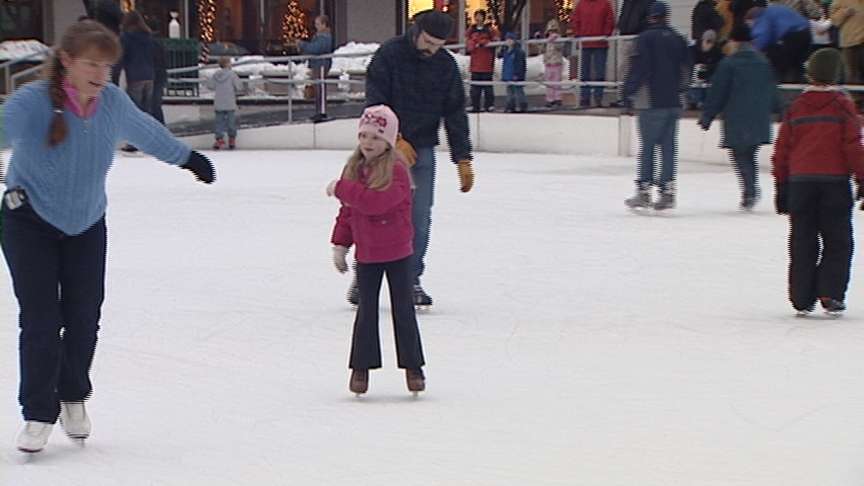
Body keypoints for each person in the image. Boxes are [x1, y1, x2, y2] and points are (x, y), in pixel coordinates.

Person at [0, 20, 215, 454]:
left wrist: (187, 158)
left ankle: (73, 395)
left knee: (83, 317)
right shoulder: (32, 103)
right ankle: (38, 413)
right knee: (42, 319)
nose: (101, 74)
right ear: (67, 61)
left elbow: (148, 132)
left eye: (107, 65)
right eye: (91, 64)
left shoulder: (112, 103)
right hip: (28, 221)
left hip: (84, 224)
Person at [359, 9, 475, 308]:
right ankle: (364, 277)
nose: (432, 49)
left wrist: (463, 157)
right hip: (383, 149)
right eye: (428, 41)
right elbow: (375, 99)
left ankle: (410, 279)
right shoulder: (390, 54)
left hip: (422, 149)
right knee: (375, 212)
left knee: (418, 219)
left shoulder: (445, 65)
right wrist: (393, 139)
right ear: (416, 30)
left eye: (438, 44)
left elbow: (454, 112)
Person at [328, 105, 426, 396]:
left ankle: (413, 366)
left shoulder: (397, 170)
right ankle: (361, 367)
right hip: (367, 255)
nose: (368, 142)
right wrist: (340, 244)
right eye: (364, 135)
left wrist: (342, 188)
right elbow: (348, 212)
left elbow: (375, 203)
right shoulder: (353, 170)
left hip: (398, 254)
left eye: (375, 137)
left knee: (403, 310)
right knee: (366, 312)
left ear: (389, 140)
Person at [772, 47, 864, 315]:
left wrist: (782, 184)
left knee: (802, 239)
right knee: (838, 240)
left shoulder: (795, 107)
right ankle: (830, 293)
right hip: (834, 183)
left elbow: (783, 150)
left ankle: (801, 297)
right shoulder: (843, 107)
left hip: (801, 183)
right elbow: (853, 147)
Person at [699, 23, 781, 210]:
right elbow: (772, 89)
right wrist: (780, 110)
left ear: (734, 41)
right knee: (749, 154)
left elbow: (718, 92)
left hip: (737, 118)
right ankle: (750, 189)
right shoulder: (763, 62)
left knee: (740, 155)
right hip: (759, 118)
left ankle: (750, 191)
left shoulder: (729, 64)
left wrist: (707, 117)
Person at [623, 1, 691, 211]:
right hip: (673, 101)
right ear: (666, 16)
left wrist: (628, 91)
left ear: (650, 17)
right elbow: (687, 69)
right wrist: (681, 90)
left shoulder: (644, 39)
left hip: (651, 101)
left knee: (648, 147)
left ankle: (644, 190)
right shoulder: (679, 40)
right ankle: (668, 191)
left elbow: (640, 68)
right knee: (668, 147)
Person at [746, 4, 813, 82]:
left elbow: (763, 36)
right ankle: (800, 82)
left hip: (793, 34)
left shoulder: (763, 16)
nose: (750, 27)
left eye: (749, 24)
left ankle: (780, 81)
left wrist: (754, 53)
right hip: (806, 33)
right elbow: (772, 36)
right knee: (796, 62)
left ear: (754, 19)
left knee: (778, 58)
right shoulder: (775, 9)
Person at [119, 11, 155, 153]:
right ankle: (148, 139)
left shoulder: (126, 37)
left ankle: (135, 142)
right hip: (149, 75)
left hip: (135, 76)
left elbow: (121, 56)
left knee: (134, 110)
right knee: (146, 110)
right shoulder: (148, 36)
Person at [569, 0, 616, 108]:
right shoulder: (582, 4)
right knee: (585, 73)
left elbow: (610, 20)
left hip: (599, 43)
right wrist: (578, 34)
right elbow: (575, 20)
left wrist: (605, 34)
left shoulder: (604, 3)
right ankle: (585, 98)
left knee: (599, 72)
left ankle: (597, 98)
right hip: (586, 44)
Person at [297, 15, 334, 123]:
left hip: (321, 64)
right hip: (317, 64)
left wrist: (303, 45)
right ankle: (319, 111)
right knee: (318, 88)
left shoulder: (325, 37)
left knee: (320, 88)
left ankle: (322, 112)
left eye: (318, 24)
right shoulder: (320, 36)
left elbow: (316, 48)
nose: (316, 26)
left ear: (324, 25)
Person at [206, 57, 242, 150]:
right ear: (227, 64)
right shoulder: (232, 74)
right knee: (231, 122)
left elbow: (210, 86)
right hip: (230, 101)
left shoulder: (216, 75)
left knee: (219, 122)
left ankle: (219, 139)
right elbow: (239, 86)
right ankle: (232, 139)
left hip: (219, 102)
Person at [467, 9, 500, 112]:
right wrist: (472, 44)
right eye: (476, 16)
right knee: (475, 87)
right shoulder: (471, 30)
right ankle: (475, 105)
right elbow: (467, 41)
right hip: (475, 63)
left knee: (487, 87)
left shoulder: (490, 30)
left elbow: (496, 40)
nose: (477, 18)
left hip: (486, 63)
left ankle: (489, 105)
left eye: (480, 16)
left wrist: (485, 42)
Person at [688, 29, 725, 110]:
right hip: (695, 79)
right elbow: (688, 64)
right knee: (696, 73)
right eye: (707, 41)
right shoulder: (692, 50)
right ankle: (694, 101)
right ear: (703, 40)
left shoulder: (717, 51)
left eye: (711, 42)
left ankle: (705, 101)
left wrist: (708, 67)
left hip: (709, 78)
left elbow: (720, 64)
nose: (709, 44)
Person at [499, 32, 528, 113]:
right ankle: (510, 106)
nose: (508, 41)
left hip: (516, 75)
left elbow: (520, 65)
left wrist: (517, 74)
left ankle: (523, 105)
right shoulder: (506, 51)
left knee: (518, 91)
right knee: (509, 91)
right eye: (507, 40)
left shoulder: (518, 52)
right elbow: (502, 60)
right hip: (508, 75)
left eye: (510, 40)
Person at [543, 19, 565, 108]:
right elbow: (543, 49)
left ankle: (557, 98)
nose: (552, 33)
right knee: (549, 82)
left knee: (556, 82)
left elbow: (560, 47)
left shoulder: (558, 39)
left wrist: (555, 41)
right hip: (548, 62)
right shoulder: (546, 40)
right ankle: (550, 99)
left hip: (556, 62)